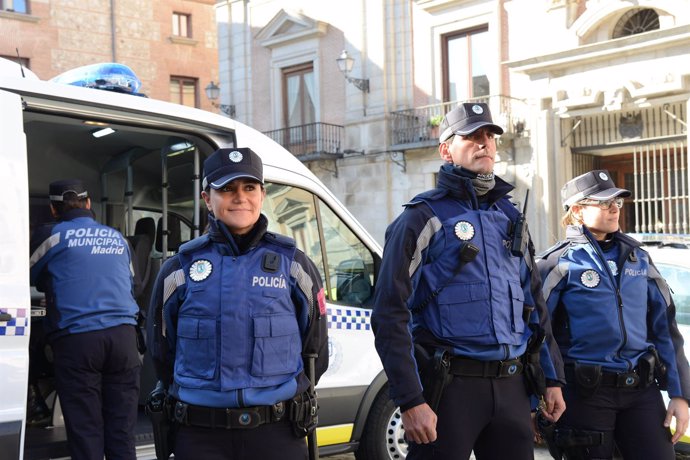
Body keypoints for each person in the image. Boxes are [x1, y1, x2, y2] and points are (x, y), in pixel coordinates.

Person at [371, 102, 566, 460]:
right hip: (450, 390)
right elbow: (388, 314)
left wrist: (551, 379)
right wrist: (411, 400)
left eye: (490, 137)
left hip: (511, 387)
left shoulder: (509, 216)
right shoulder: (421, 218)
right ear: (446, 150)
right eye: (472, 136)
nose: (485, 144)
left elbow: (534, 304)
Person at [148, 147, 328, 460]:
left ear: (262, 193)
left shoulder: (294, 265)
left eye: (249, 187)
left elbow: (315, 347)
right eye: (227, 189)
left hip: (276, 434)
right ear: (207, 198)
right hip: (200, 434)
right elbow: (162, 350)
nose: (239, 197)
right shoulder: (178, 270)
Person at [537, 170, 690, 459]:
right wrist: (544, 390)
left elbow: (666, 329)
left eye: (617, 202)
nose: (613, 208)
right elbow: (539, 334)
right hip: (585, 394)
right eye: (604, 202)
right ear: (578, 210)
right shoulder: (555, 263)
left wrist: (680, 394)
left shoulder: (639, 258)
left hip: (641, 390)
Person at [29, 179, 141, 460]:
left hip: (78, 340)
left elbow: (23, 275)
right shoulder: (118, 238)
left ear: (54, 209)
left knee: (86, 431)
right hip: (124, 340)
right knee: (121, 431)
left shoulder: (51, 236)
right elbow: (131, 284)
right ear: (89, 204)